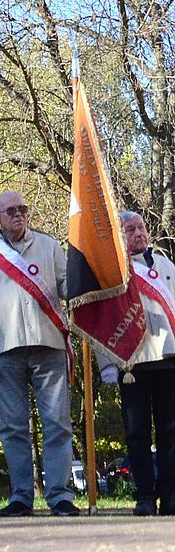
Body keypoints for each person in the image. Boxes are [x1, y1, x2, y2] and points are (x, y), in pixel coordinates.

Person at [0, 188, 79, 516]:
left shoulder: (48, 245)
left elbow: (67, 287)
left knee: (57, 422)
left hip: (49, 344)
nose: (18, 214)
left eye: (22, 209)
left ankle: (59, 495)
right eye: (11, 210)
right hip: (5, 350)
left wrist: (87, 275)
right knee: (13, 425)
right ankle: (21, 496)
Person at [99, 211, 175, 516]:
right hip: (133, 362)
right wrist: (106, 362)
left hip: (169, 358)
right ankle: (144, 495)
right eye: (130, 229)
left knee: (171, 431)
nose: (139, 233)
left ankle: (170, 494)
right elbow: (103, 320)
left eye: (141, 228)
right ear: (120, 236)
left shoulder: (166, 264)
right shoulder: (114, 272)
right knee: (137, 432)